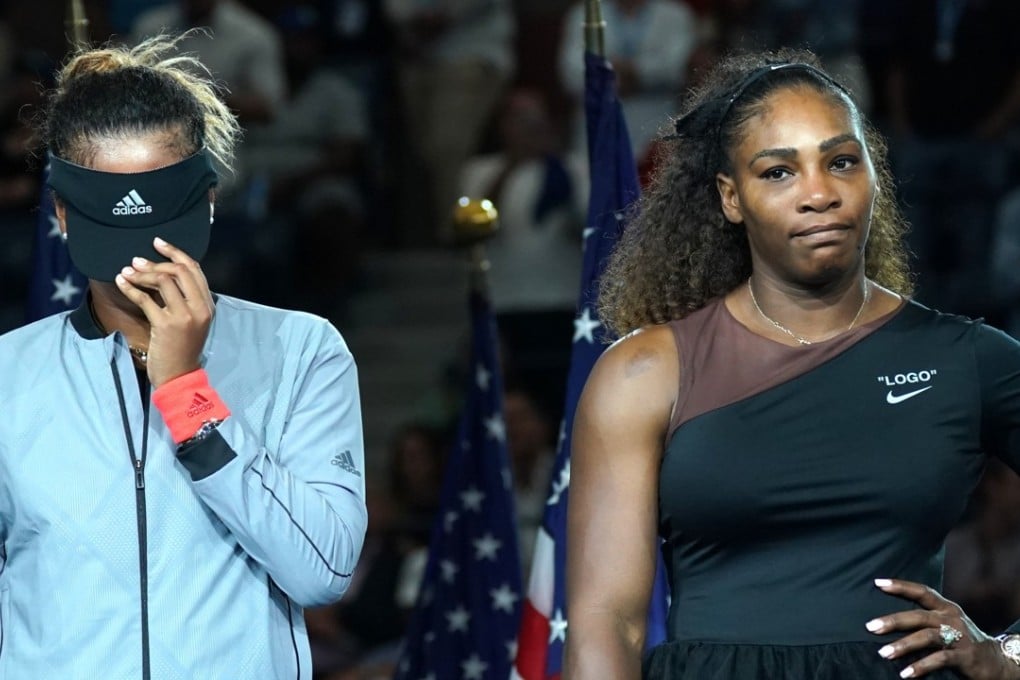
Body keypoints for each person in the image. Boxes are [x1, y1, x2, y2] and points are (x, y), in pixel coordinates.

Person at [564, 48, 1020, 679]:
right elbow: (607, 622)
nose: (817, 193)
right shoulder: (645, 371)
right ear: (731, 198)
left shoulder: (968, 358)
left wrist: (1007, 653)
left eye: (840, 162)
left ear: (873, 175)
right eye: (778, 172)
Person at [0, 35, 367, 678]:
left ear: (208, 200)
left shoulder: (302, 350)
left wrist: (188, 395)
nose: (141, 256)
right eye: (111, 219)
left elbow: (323, 570)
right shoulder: (11, 373)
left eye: (160, 215)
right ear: (62, 213)